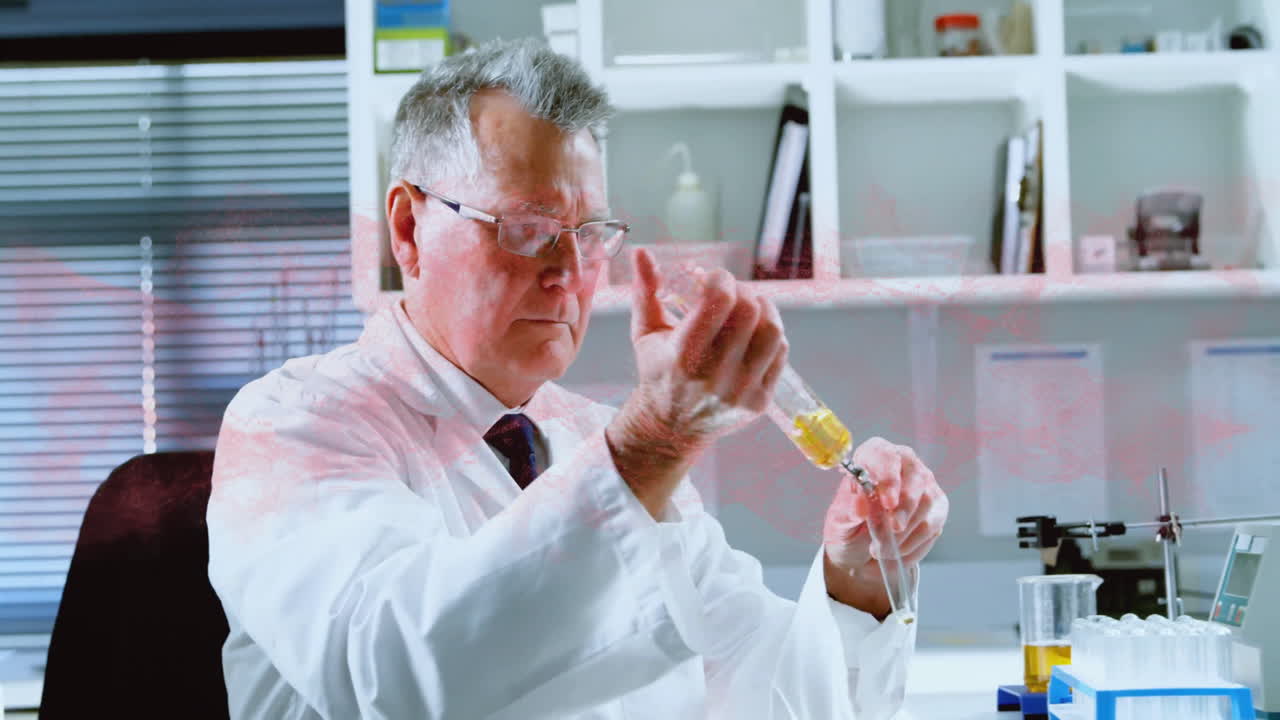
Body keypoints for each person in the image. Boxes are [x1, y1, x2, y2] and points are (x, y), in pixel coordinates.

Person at [207, 38, 949, 720]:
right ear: (407, 229)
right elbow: (391, 676)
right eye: (525, 227)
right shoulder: (290, 424)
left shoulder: (592, 439)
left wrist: (858, 579)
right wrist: (654, 440)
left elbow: (766, 691)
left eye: (588, 234)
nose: (567, 273)